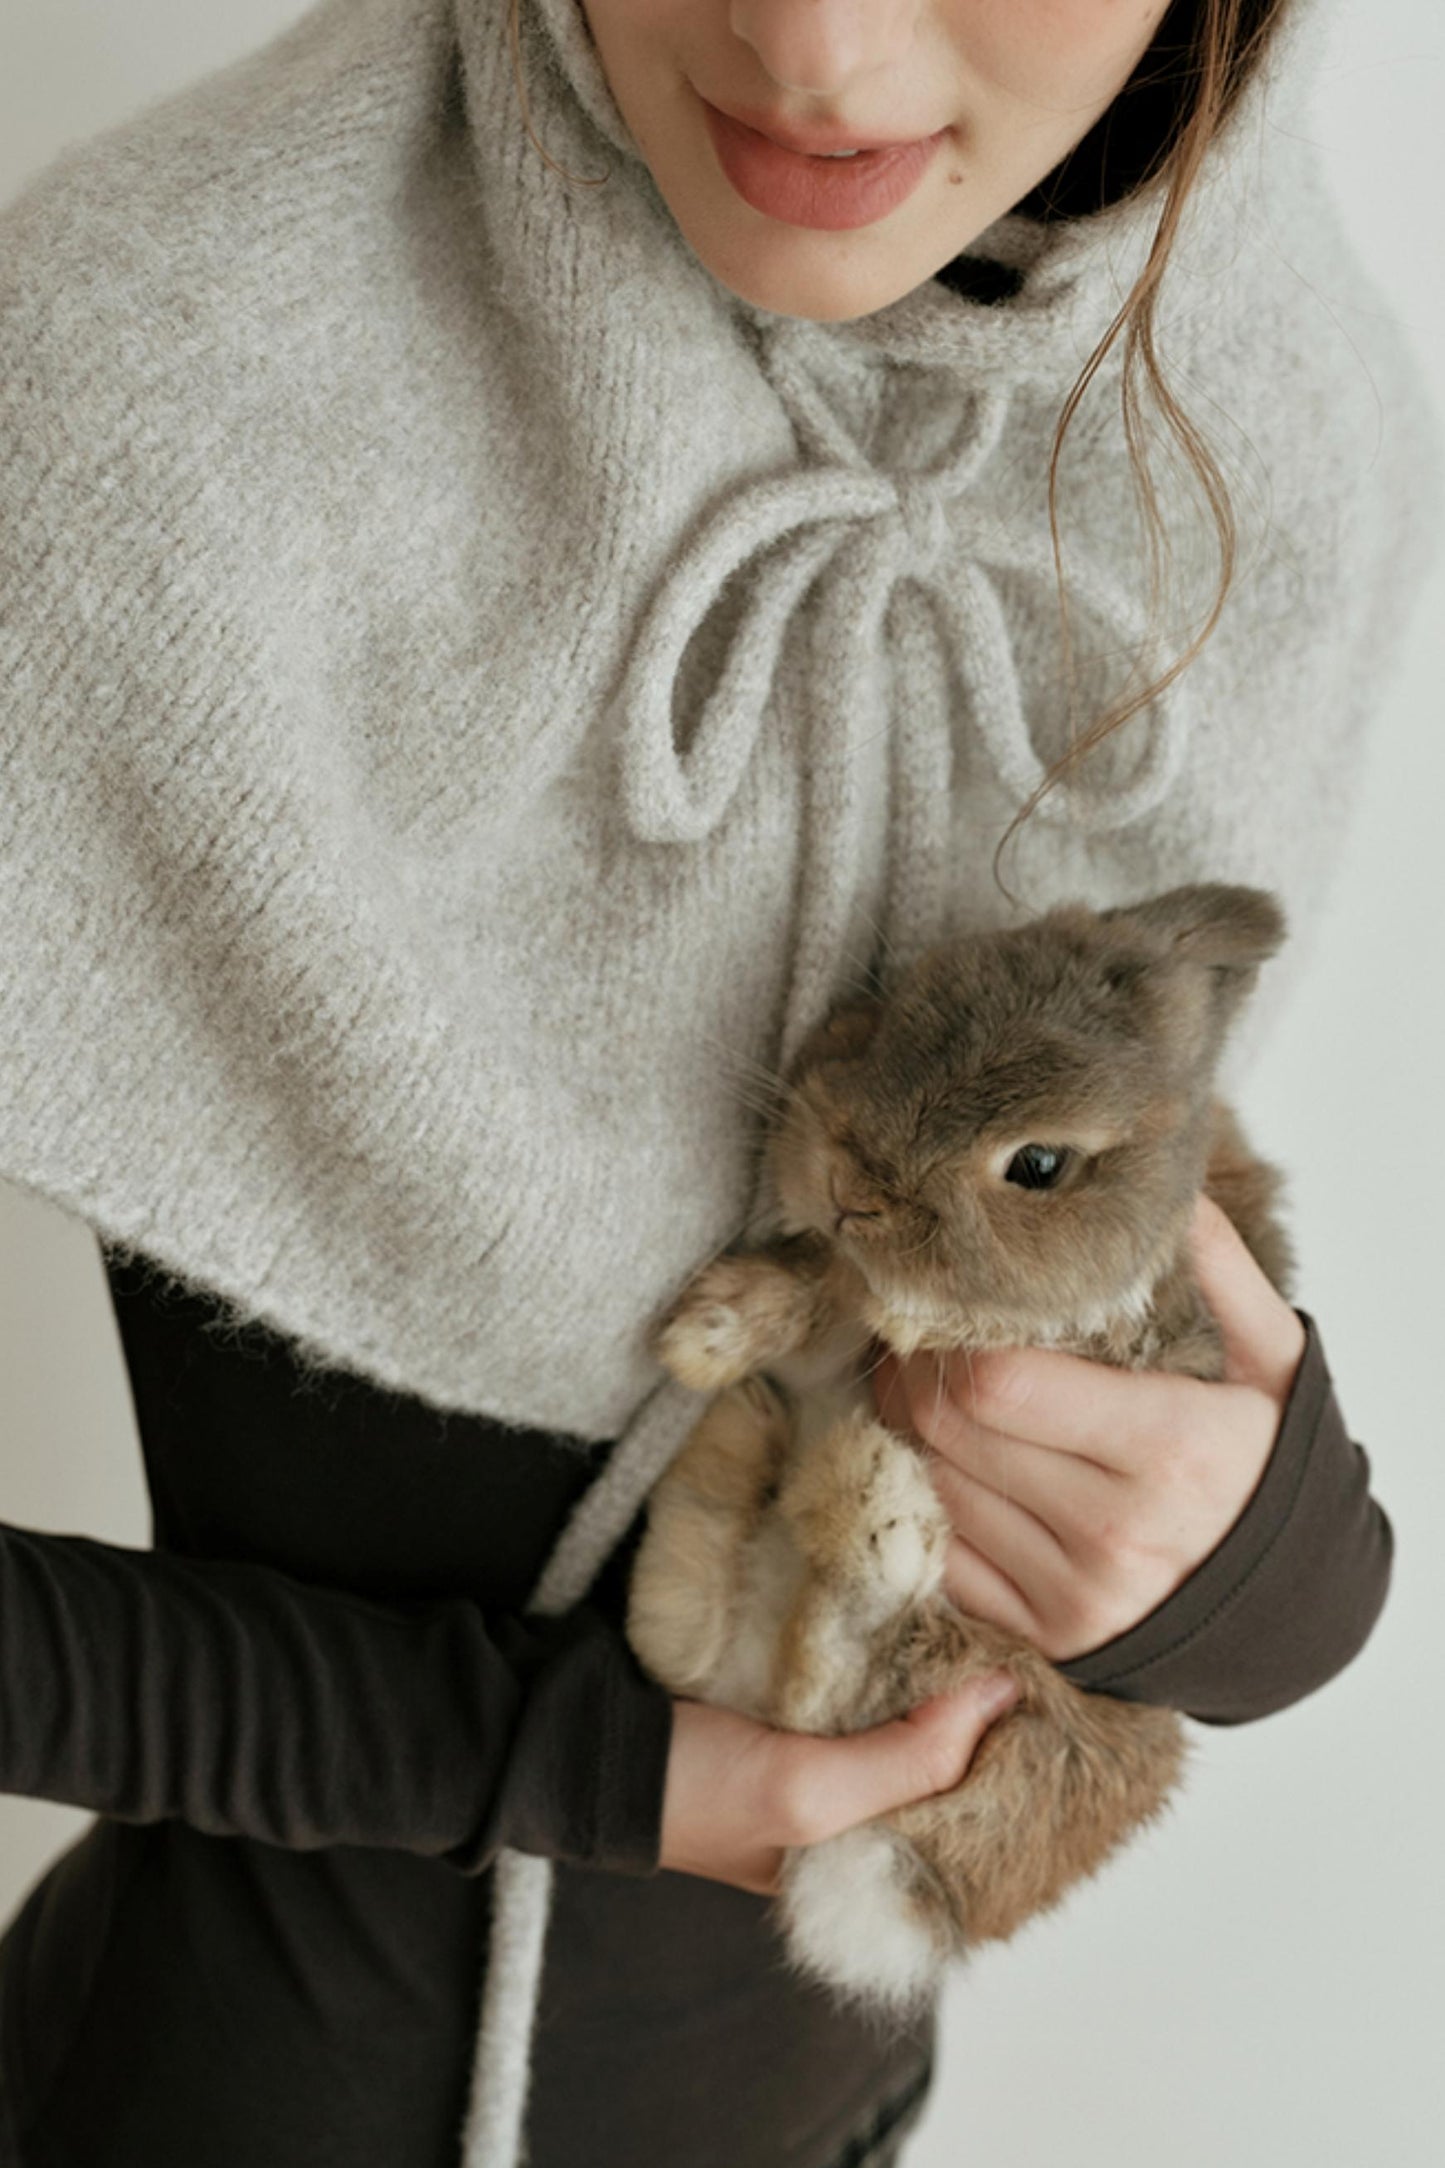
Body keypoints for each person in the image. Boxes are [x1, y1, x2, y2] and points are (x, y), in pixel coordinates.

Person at [0, 2, 1432, 2166]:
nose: (819, 52)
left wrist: (1280, 1583)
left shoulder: (1275, 404)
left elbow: (1129, 1264)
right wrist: (553, 1763)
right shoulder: (138, 378)